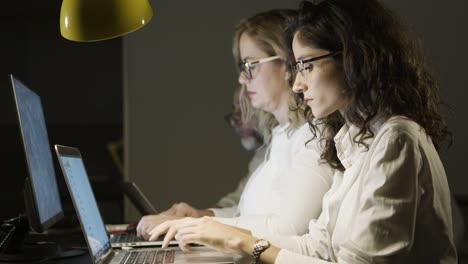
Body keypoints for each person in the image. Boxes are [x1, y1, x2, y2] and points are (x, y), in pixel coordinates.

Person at [147, 0, 457, 263]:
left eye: (307, 65)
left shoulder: (397, 139)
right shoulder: (355, 142)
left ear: (353, 58)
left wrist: (239, 241)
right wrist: (225, 233)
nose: (297, 84)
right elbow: (318, 247)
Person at [137, 9, 335, 240]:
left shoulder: (314, 136)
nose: (242, 78)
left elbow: (287, 229)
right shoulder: (282, 136)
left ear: (287, 63)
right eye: (242, 68)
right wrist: (200, 215)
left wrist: (199, 224)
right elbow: (250, 216)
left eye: (250, 66)